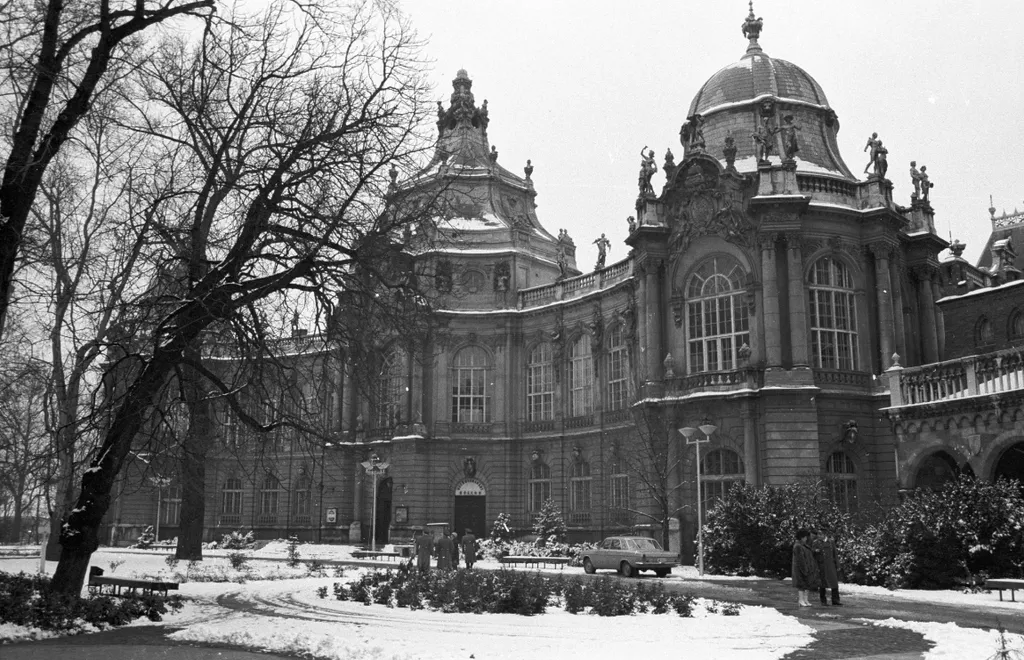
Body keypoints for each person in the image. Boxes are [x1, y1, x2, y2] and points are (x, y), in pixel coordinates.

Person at [791, 528, 820, 607]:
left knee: (806, 585)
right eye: (805, 537)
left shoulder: (803, 545)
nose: (806, 539)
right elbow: (800, 560)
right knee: (801, 586)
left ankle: (805, 600)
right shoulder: (798, 546)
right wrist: (805, 569)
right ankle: (801, 600)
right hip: (801, 570)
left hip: (807, 568)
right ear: (801, 537)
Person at [813, 529, 842, 606]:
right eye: (818, 534)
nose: (819, 536)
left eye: (821, 534)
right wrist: (815, 551)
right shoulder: (816, 543)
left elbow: (835, 554)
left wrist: (838, 565)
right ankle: (823, 601)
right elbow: (812, 553)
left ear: (824, 535)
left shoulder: (830, 542)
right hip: (821, 565)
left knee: (834, 583)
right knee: (822, 583)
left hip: (831, 565)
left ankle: (835, 600)